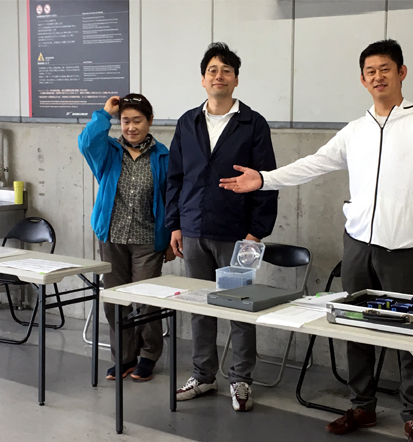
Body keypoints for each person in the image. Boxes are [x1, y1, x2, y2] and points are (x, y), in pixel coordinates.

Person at [220, 39, 413, 442]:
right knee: (356, 327)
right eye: (370, 71)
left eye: (385, 69)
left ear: (401, 73)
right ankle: (362, 405)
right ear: (362, 80)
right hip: (357, 247)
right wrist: (264, 179)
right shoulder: (355, 131)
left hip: (403, 250)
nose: (378, 77)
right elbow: (313, 164)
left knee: (412, 334)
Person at [165, 42, 279, 411]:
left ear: (236, 80)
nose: (219, 76)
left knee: (240, 309)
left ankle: (241, 379)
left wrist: (256, 232)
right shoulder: (188, 123)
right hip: (194, 230)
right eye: (212, 70)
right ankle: (203, 376)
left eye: (226, 70)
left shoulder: (253, 124)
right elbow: (175, 178)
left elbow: (266, 180)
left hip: (239, 234)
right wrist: (175, 225)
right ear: (203, 79)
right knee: (200, 307)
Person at [78, 93, 175, 382]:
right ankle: (124, 357)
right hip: (112, 237)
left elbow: (172, 198)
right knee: (114, 301)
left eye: (137, 121)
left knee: (146, 301)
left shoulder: (163, 156)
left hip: (148, 239)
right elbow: (85, 142)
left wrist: (172, 235)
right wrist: (104, 114)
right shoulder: (108, 151)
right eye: (125, 121)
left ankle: (149, 355)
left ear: (150, 121)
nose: (131, 127)